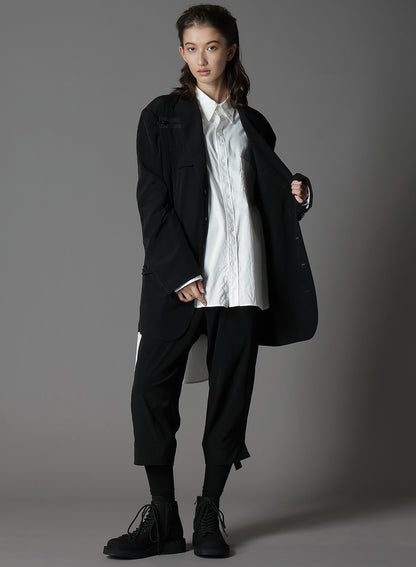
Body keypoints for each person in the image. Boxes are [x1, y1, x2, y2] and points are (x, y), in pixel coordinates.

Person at [103, 3, 317, 560]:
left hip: (241, 283)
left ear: (231, 50)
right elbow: (152, 200)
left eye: (213, 46)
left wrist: (297, 193)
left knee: (230, 397)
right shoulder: (161, 117)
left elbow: (265, 201)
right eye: (192, 48)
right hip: (181, 282)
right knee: (151, 393)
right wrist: (178, 271)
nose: (202, 58)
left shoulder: (254, 124)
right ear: (181, 52)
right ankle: (162, 518)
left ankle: (207, 514)